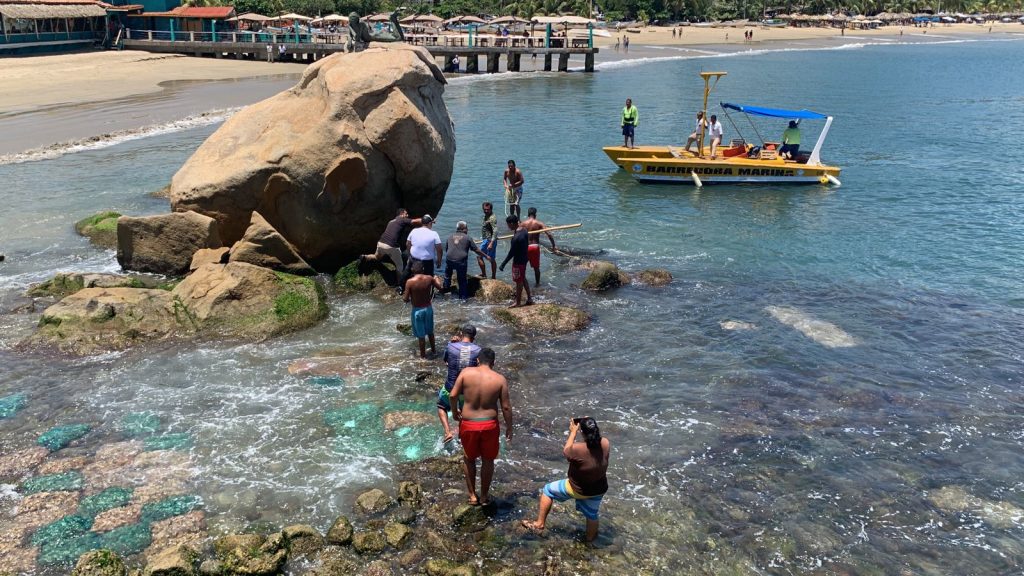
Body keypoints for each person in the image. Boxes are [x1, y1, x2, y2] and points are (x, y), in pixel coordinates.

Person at [521, 417, 610, 542]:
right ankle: (590, 540)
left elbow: (566, 451)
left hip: (578, 489)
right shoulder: (605, 443)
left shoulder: (577, 449)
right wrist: (588, 422)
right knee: (592, 514)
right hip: (599, 489)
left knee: (547, 490)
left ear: (582, 432)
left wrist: (573, 432)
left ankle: (539, 524)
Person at [450, 347, 512, 506]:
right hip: (489, 424)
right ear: (493, 362)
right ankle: (484, 497)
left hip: (469, 423)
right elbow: (506, 407)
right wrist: (509, 427)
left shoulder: (466, 373)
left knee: (469, 459)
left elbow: (453, 395)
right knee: (488, 460)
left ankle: (472, 496)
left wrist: (455, 412)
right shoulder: (500, 379)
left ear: (477, 360)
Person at [437, 324, 481, 444]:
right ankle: (461, 437)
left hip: (450, 388)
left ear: (461, 334)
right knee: (464, 413)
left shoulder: (451, 346)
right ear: (474, 337)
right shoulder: (478, 350)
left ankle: (448, 432)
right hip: (466, 392)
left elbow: (446, 361)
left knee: (441, 406)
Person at [361, 208, 422, 288]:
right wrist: (426, 220)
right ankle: (399, 284)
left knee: (376, 257)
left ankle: (365, 256)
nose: (407, 215)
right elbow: (414, 221)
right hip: (391, 246)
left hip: (381, 243)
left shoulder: (391, 221)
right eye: (406, 214)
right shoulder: (401, 219)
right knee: (400, 266)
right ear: (402, 214)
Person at [403, 261, 443, 358]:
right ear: (423, 269)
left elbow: (405, 299)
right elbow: (440, 287)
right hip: (428, 309)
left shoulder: (410, 282)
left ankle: (423, 357)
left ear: (412, 270)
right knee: (430, 332)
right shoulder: (429, 278)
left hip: (417, 311)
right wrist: (437, 278)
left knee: (421, 336)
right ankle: (434, 351)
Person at [444, 221, 491, 300]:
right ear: (464, 229)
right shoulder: (468, 238)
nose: (468, 230)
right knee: (462, 280)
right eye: (467, 228)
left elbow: (447, 249)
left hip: (449, 259)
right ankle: (463, 299)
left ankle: (446, 290)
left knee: (447, 275)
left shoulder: (450, 236)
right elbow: (476, 250)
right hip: (460, 261)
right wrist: (486, 256)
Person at [498, 215, 533, 307]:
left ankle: (518, 302)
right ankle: (529, 298)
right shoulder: (524, 230)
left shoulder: (516, 237)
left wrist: (503, 264)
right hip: (524, 259)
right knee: (523, 278)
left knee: (518, 282)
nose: (508, 227)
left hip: (518, 261)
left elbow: (511, 253)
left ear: (512, 223)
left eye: (508, 224)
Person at [521, 207, 556, 288]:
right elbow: (549, 234)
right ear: (535, 214)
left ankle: (523, 284)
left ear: (528, 214)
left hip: (525, 247)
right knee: (536, 268)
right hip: (534, 246)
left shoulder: (523, 224)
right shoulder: (539, 223)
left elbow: (517, 235)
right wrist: (553, 246)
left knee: (523, 267)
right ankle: (537, 284)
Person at [477, 202, 499, 279]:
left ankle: (487, 275)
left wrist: (491, 243)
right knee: (490, 258)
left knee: (480, 256)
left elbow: (495, 230)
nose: (486, 211)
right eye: (484, 209)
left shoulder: (492, 218)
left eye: (488, 209)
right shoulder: (487, 216)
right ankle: (490, 276)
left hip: (489, 240)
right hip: (487, 240)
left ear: (491, 209)